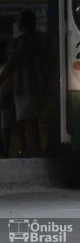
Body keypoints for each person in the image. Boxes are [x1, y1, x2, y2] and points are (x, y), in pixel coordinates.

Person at [0, 10, 53, 157]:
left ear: (22, 23)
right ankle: (35, 150)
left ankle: (34, 151)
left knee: (28, 121)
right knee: (37, 120)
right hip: (42, 84)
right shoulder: (44, 38)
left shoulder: (24, 41)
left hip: (26, 87)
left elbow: (12, 63)